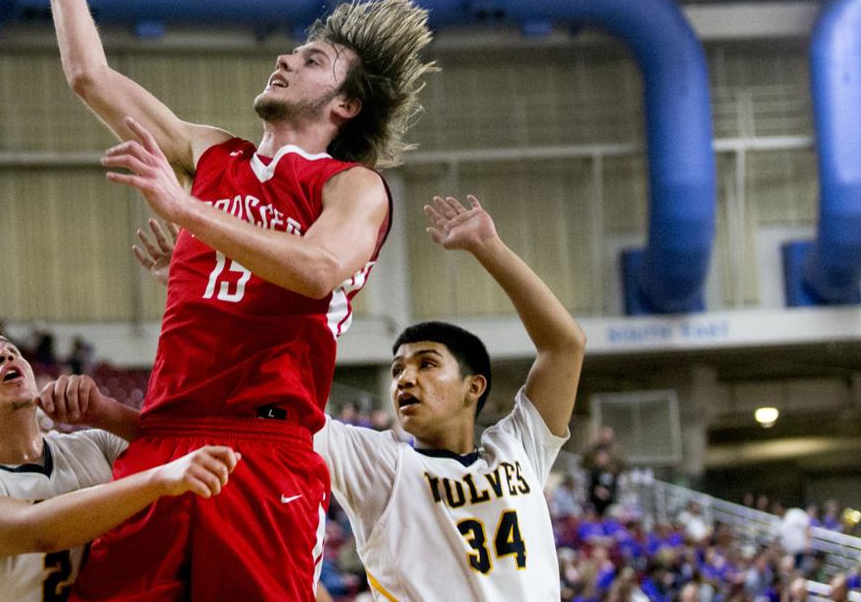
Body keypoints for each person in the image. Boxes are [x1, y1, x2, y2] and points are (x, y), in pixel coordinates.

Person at [7, 0, 435, 601]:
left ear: (346, 106)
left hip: (262, 452)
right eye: (291, 53)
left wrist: (185, 212)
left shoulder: (353, 187)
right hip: (161, 439)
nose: (285, 60)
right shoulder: (211, 151)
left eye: (311, 60)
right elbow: (90, 76)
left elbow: (320, 270)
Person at [113, 194, 586, 600]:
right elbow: (261, 396)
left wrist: (489, 247)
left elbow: (564, 345)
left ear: (474, 386)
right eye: (398, 368)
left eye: (426, 364)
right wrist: (203, 295)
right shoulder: (379, 462)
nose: (404, 378)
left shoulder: (519, 449)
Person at [0, 316, 240, 602]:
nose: (4, 354)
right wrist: (157, 480)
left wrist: (104, 412)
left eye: (8, 348)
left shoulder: (93, 445)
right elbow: (36, 530)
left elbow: (179, 447)